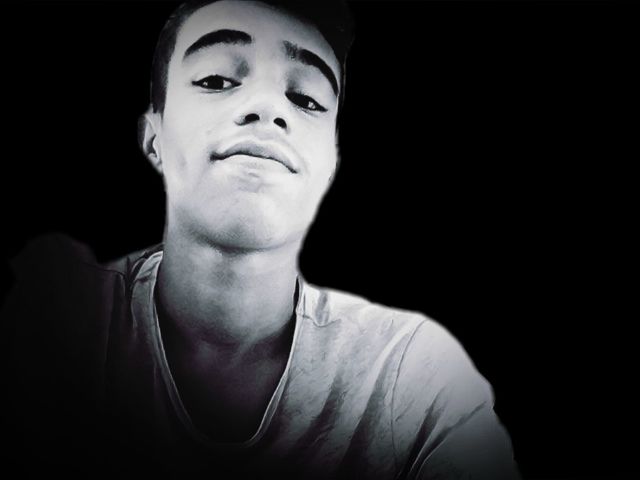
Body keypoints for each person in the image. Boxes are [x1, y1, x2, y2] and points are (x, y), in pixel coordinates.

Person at [0, 1, 521, 478]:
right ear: (153, 137)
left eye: (306, 99)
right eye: (216, 80)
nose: (268, 108)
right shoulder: (45, 322)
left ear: (331, 163)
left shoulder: (413, 376)